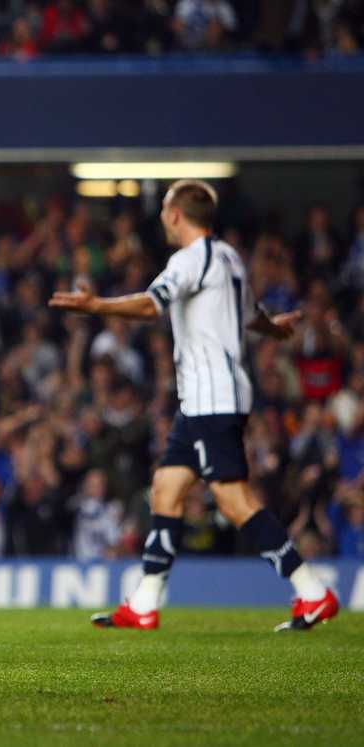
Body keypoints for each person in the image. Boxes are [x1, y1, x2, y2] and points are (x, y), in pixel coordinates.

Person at [49, 179, 338, 632]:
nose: (163, 218)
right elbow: (249, 316)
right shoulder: (228, 258)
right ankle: (145, 602)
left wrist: (95, 305)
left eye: (165, 210)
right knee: (166, 488)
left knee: (232, 498)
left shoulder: (189, 260)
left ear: (176, 215)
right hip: (203, 397)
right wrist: (274, 330)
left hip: (212, 395)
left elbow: (151, 307)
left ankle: (312, 591)